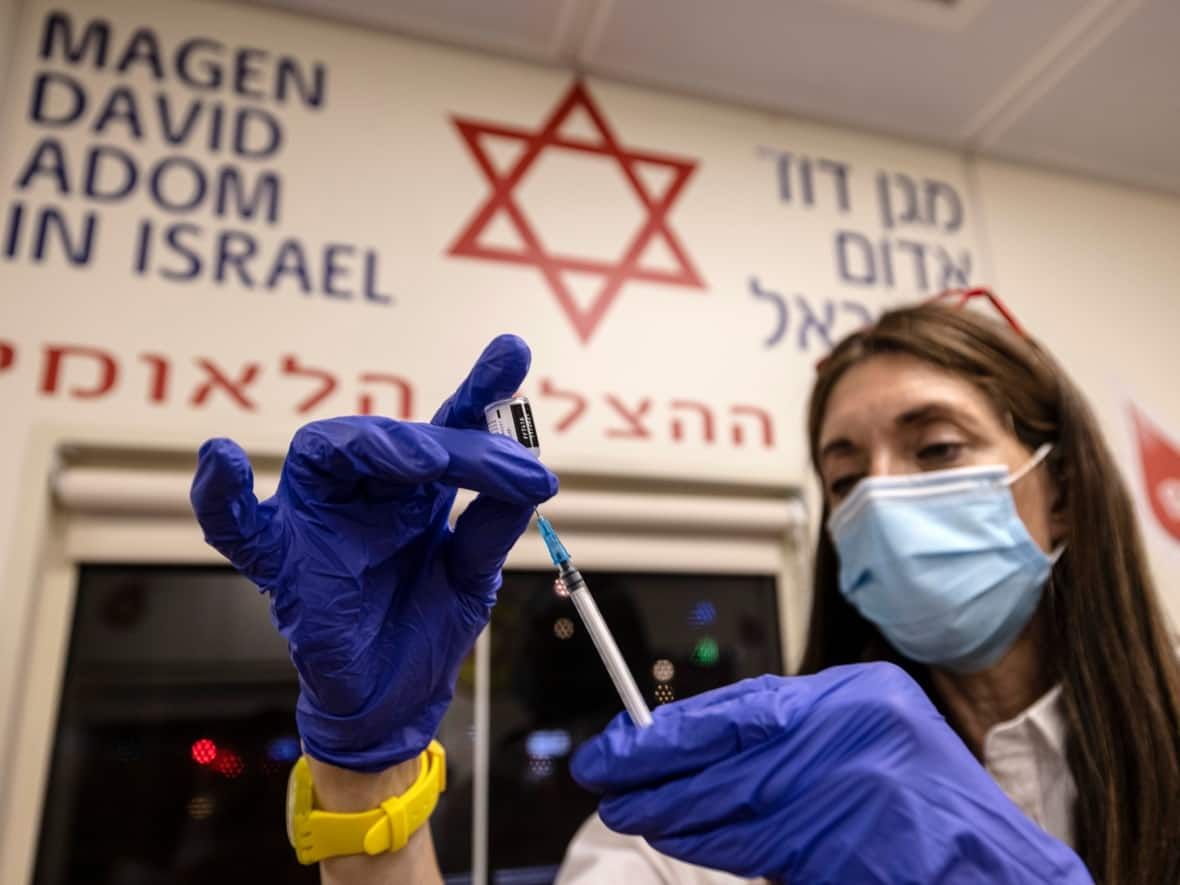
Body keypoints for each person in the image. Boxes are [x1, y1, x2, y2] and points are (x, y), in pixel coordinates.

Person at [190, 294, 1180, 885]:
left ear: (1063, 497)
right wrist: (370, 766)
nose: (879, 493)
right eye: (842, 476)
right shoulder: (737, 791)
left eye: (935, 448)